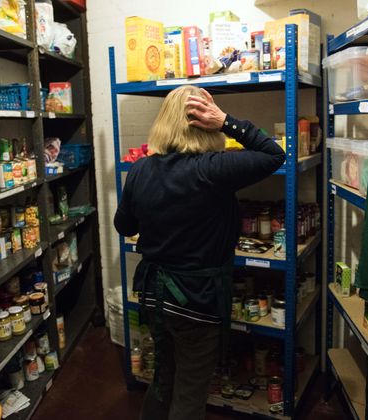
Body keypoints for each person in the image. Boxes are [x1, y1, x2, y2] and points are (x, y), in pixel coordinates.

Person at [113, 85, 284, 420]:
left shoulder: (141, 170)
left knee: (163, 378)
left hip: (154, 296)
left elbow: (123, 225)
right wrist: (226, 121)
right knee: (190, 390)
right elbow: (273, 155)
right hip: (195, 301)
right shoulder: (212, 169)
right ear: (203, 123)